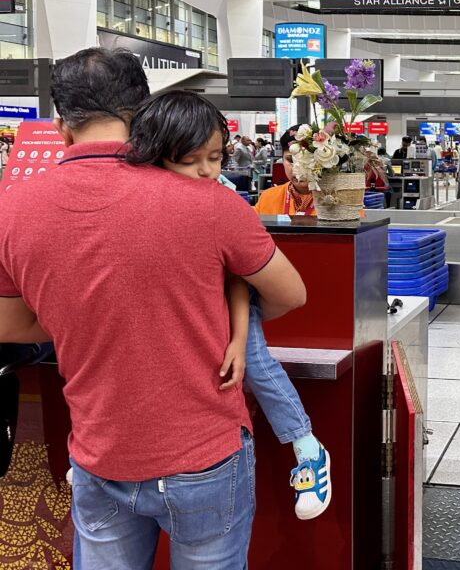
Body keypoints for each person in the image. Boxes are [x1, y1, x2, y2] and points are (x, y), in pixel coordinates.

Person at [0, 47, 307, 567]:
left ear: (60, 124)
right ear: (143, 113)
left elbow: (11, 325)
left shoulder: (12, 210)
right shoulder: (212, 202)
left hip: (99, 453)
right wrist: (218, 324)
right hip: (204, 451)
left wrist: (86, 315)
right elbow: (290, 293)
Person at [128, 91, 332, 521]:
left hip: (230, 298)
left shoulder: (222, 199)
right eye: (188, 160)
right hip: (184, 307)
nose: (205, 170)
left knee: (256, 361)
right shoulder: (141, 197)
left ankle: (307, 447)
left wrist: (239, 338)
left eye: (215, 158)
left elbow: (241, 283)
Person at [255, 125, 317, 216]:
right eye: (291, 160)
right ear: (282, 160)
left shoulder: (340, 202)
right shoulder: (267, 198)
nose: (298, 168)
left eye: (307, 160)